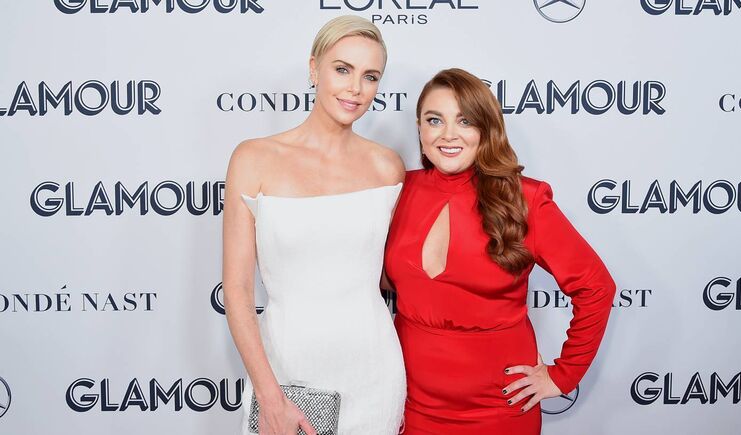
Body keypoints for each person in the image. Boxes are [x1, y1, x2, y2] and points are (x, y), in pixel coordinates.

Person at [384, 68, 616, 434]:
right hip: (409, 406)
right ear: (419, 128)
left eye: (465, 121)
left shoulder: (525, 199)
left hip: (498, 409)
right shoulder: (399, 191)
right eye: (434, 120)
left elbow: (596, 288)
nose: (448, 135)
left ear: (485, 129)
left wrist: (563, 375)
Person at [222, 16, 406, 435]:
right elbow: (236, 289)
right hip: (284, 374)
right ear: (313, 68)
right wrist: (269, 397)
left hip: (374, 372)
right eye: (342, 69)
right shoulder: (253, 159)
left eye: (370, 76)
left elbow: (394, 274)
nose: (355, 88)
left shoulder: (387, 166)